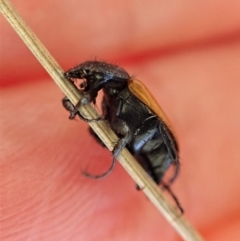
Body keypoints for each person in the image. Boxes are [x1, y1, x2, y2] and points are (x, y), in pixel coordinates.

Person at [1, 1, 240, 240]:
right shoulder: (109, 98)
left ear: (103, 77)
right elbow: (103, 123)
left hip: (155, 143)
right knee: (98, 131)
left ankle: (167, 173)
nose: (86, 86)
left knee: (145, 128)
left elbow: (154, 124)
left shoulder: (128, 90)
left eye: (90, 78)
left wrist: (164, 161)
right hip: (138, 140)